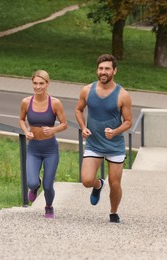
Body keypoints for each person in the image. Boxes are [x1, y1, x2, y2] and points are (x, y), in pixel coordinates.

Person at [74, 54, 132, 223]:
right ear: (97, 70)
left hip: (114, 146)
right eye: (101, 68)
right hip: (94, 144)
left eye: (107, 69)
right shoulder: (87, 90)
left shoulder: (123, 95)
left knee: (115, 184)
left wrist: (114, 132)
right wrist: (83, 127)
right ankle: (98, 184)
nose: (103, 72)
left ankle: (113, 212)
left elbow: (128, 122)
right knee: (86, 180)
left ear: (115, 71)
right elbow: (78, 110)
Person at [19, 70, 67, 219]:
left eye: (41, 83)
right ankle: (35, 186)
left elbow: (64, 124)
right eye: (35, 83)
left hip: (50, 149)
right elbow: (21, 119)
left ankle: (48, 207)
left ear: (47, 84)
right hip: (33, 148)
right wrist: (26, 131)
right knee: (32, 182)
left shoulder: (55, 103)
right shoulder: (26, 102)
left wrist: (53, 129)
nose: (38, 87)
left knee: (48, 185)